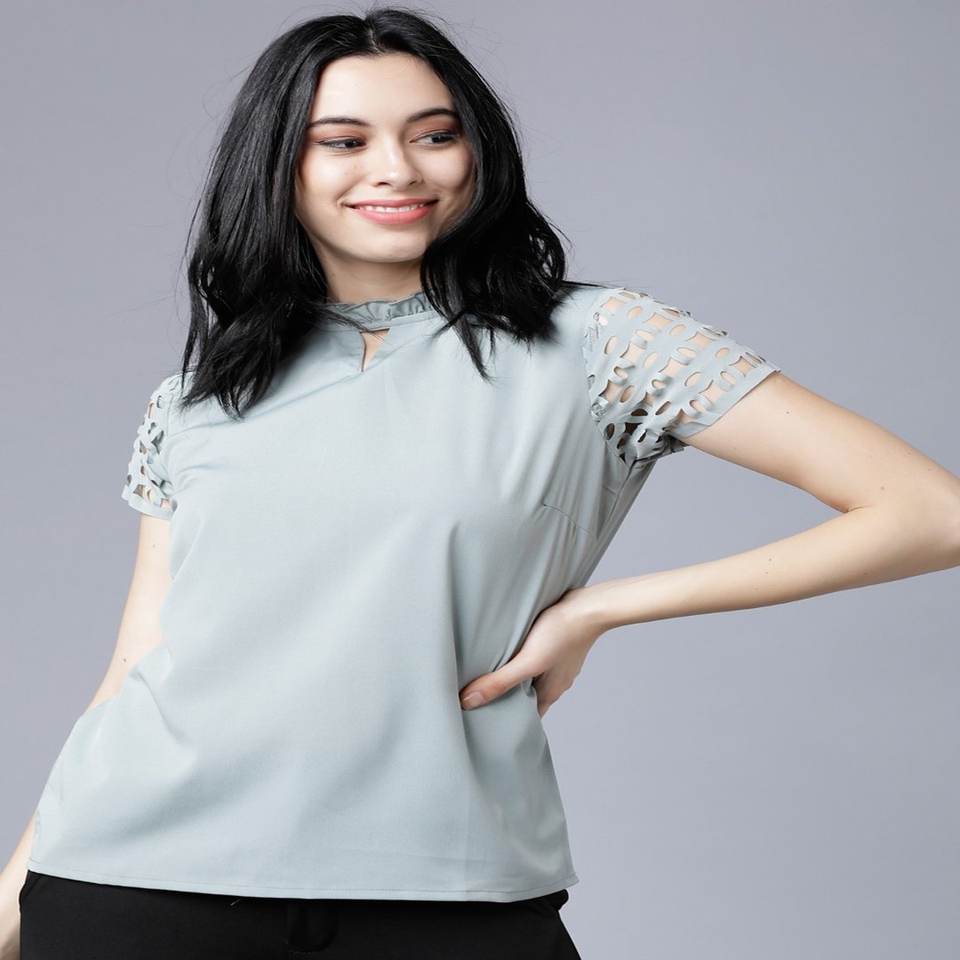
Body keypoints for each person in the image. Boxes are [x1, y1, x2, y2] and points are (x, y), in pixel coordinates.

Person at [3, 6, 959, 960]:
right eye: (344, 141)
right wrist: (12, 902)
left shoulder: (605, 344)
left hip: (448, 889)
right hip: (131, 885)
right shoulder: (202, 393)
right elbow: (138, 663)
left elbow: (929, 514)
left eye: (435, 135)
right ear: (278, 166)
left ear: (478, 152)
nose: (398, 169)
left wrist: (601, 609)